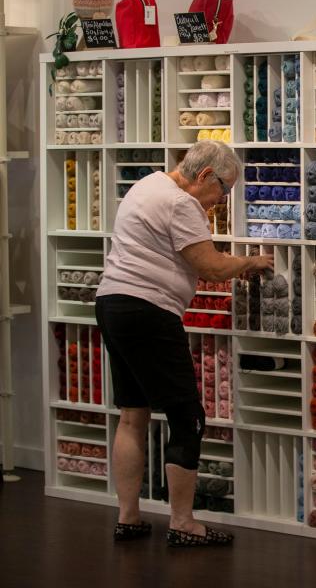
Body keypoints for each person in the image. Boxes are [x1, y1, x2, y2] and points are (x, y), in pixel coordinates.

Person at [95, 141, 272, 547]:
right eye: (224, 190)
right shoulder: (181, 204)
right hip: (148, 311)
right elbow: (209, 266)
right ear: (206, 176)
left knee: (131, 413)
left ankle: (129, 518)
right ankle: (183, 523)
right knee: (187, 415)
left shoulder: (145, 186)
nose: (220, 201)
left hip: (112, 305)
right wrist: (250, 263)